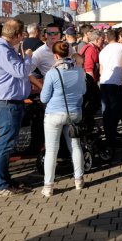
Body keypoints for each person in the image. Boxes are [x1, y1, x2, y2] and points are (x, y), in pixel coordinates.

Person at [0, 19, 33, 197]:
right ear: (18, 35)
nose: (23, 38)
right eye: (22, 35)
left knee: (7, 144)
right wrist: (28, 57)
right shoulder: (2, 50)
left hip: (10, 102)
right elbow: (21, 72)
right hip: (6, 103)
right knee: (4, 144)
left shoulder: (6, 48)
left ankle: (4, 180)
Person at [40, 41, 86, 197]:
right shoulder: (79, 71)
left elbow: (44, 98)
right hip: (74, 113)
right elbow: (83, 90)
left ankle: (48, 186)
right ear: (69, 53)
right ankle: (79, 180)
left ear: (55, 56)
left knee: (52, 150)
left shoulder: (52, 73)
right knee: (75, 146)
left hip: (54, 114)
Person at [99, 29, 122, 147]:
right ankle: (112, 139)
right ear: (117, 37)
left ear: (107, 39)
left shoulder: (103, 51)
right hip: (116, 83)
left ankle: (109, 136)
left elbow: (101, 70)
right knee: (117, 109)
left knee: (107, 111)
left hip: (104, 82)